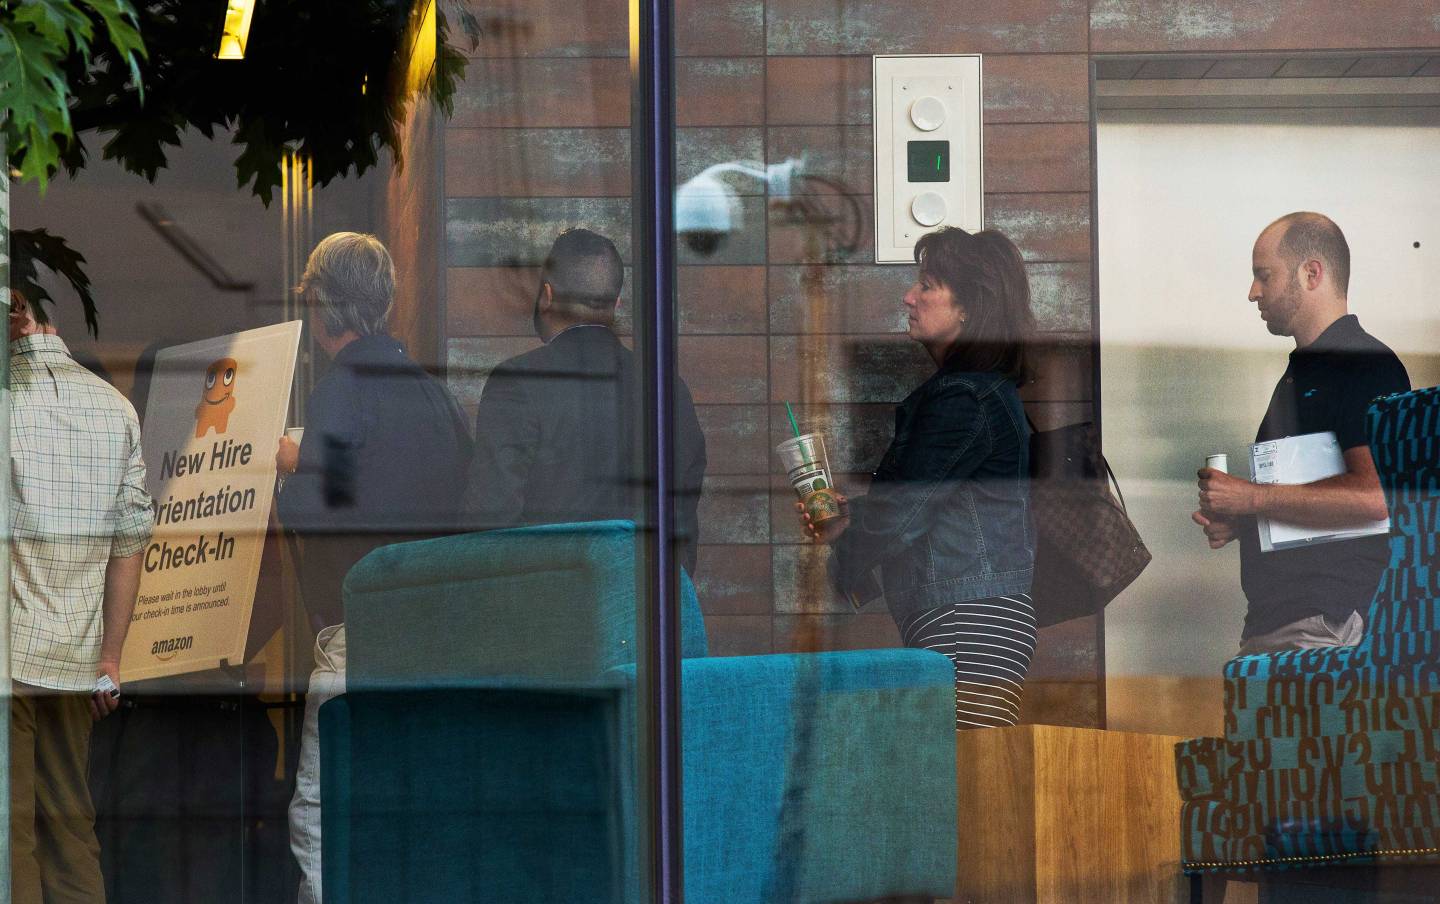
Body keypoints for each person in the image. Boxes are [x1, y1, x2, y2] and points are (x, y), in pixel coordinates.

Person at [275, 233, 472, 904]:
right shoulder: (435, 397)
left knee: (321, 815)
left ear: (326, 310)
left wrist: (289, 474)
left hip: (358, 635)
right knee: (409, 814)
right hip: (438, 635)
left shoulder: (341, 390)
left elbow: (323, 510)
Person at [799, 227, 1036, 730]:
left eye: (927, 285)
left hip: (965, 622)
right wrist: (849, 523)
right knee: (968, 779)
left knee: (965, 785)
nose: (909, 296)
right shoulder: (979, 394)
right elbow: (931, 506)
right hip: (973, 620)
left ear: (969, 306)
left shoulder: (963, 399)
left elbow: (903, 513)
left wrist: (850, 547)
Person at [1193, 212, 1409, 655]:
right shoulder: (1303, 371)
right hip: (1280, 620)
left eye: (1263, 275)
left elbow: (1375, 498)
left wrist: (1252, 498)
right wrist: (1245, 519)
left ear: (1311, 273)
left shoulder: (1364, 364)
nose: (1253, 292)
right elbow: (1309, 498)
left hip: (1321, 624)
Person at [8, 292, 154, 903]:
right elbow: (131, 543)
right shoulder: (115, 408)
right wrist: (109, 660)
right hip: (75, 658)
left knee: (8, 835)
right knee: (72, 833)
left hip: (7, 654)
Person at [465, 228, 707, 575]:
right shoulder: (667, 389)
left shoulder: (519, 383)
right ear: (616, 304)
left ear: (546, 296)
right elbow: (681, 523)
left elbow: (490, 516)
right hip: (646, 612)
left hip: (550, 610)